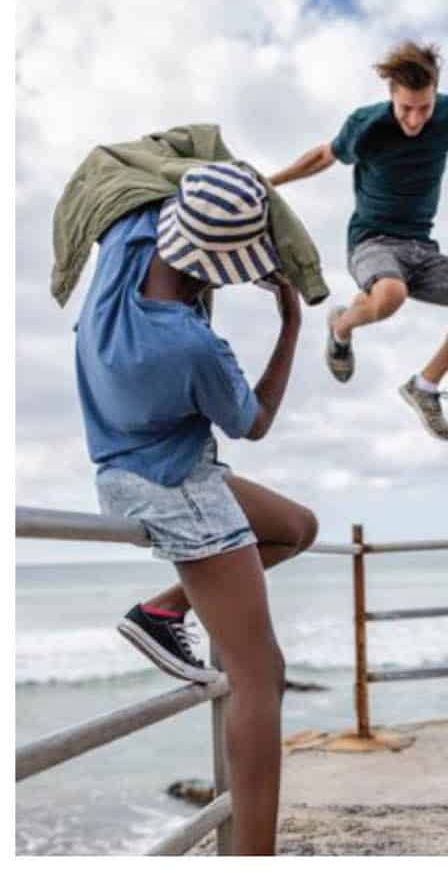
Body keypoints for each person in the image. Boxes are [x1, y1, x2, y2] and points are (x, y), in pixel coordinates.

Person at [74, 163, 317, 857]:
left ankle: (163, 609)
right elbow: (255, 422)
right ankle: (252, 859)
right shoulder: (190, 343)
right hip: (173, 487)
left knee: (298, 527)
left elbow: (153, 160)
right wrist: (291, 322)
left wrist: (221, 195)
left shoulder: (127, 238)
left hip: (131, 467)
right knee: (259, 674)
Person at [267, 39, 448, 441]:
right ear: (391, 96)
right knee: (390, 295)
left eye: (423, 108)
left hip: (422, 248)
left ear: (436, 94)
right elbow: (324, 156)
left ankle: (423, 387)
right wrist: (270, 182)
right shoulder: (367, 126)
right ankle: (341, 326)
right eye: (405, 108)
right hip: (371, 241)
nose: (414, 120)